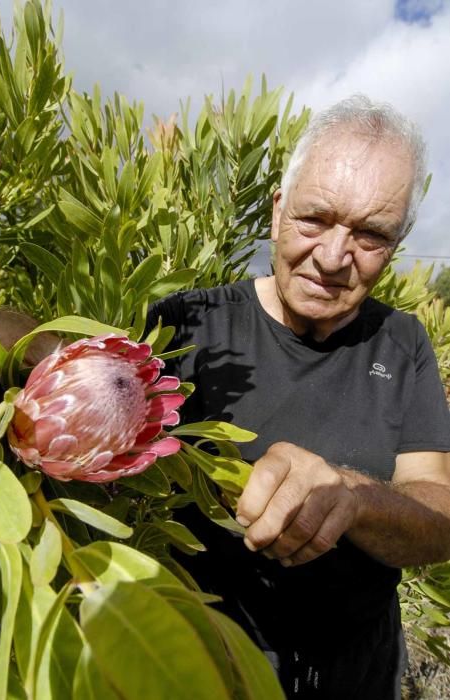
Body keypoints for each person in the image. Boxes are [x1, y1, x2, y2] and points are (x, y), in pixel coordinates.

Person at [146, 95, 450, 699]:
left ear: (397, 244)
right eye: (315, 219)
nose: (334, 258)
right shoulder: (185, 324)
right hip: (207, 665)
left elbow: (441, 514)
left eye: (371, 235)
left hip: (360, 670)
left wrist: (354, 498)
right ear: (277, 210)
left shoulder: (403, 341)